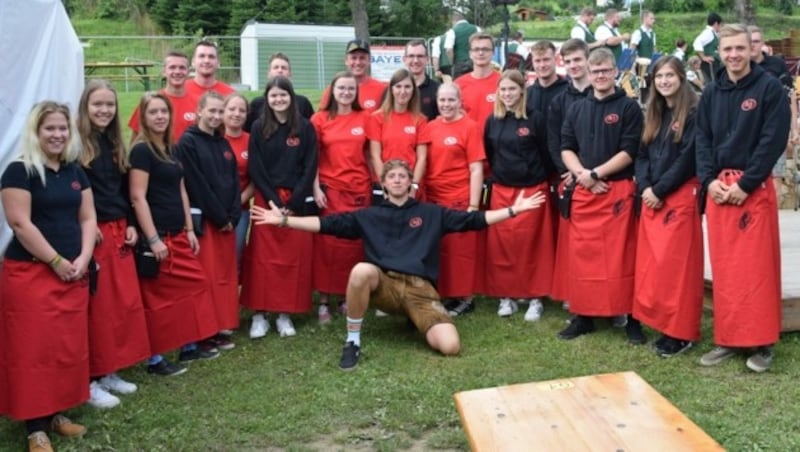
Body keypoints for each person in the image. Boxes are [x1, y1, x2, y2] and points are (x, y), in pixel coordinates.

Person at [250, 159, 547, 370]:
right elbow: (326, 224)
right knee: (361, 270)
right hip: (385, 286)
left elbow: (474, 220)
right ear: (383, 183)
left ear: (410, 182)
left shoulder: (431, 213)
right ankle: (353, 339)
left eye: (402, 176)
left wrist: (512, 210)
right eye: (391, 177)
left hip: (421, 290)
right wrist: (285, 220)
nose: (397, 181)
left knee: (450, 347)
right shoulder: (368, 216)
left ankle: (414, 317)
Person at [0, 101, 95, 451]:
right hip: (31, 274)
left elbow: (87, 218)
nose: (57, 134)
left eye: (62, 128)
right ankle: (34, 429)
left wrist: (83, 257)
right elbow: (19, 223)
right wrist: (56, 260)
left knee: (63, 348)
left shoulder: (74, 171)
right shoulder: (18, 171)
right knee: (33, 352)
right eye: (49, 129)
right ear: (36, 132)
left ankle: (56, 414)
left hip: (72, 274)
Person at [696, 24, 790, 373]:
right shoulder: (711, 92)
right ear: (719, 52)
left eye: (740, 48)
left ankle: (762, 342)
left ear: (752, 49)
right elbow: (701, 140)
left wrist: (747, 183)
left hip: (752, 190)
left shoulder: (769, 89)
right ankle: (728, 338)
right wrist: (708, 181)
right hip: (719, 190)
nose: (733, 55)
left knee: (757, 269)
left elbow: (773, 140)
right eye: (727, 49)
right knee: (726, 271)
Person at [129, 92, 220, 375]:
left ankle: (187, 345)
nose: (159, 116)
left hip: (177, 232)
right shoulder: (141, 150)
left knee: (194, 286)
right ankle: (154, 359)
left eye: (164, 111)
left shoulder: (169, 147)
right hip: (157, 236)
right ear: (143, 117)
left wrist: (189, 228)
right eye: (153, 112)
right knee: (158, 299)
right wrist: (153, 238)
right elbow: (137, 197)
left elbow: (180, 188)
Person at [558, 48, 644, 344]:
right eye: (596, 72)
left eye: (606, 70)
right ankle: (584, 316)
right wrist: (583, 174)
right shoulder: (577, 108)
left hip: (616, 191)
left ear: (615, 71)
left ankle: (631, 317)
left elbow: (630, 151)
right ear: (589, 73)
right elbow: (566, 147)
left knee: (622, 259)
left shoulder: (628, 108)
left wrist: (596, 174)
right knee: (584, 258)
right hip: (585, 192)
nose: (601, 76)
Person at [77, 80, 150, 409]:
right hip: (97, 233)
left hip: (121, 230)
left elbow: (123, 190)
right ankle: (90, 379)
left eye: (109, 105)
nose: (104, 110)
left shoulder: (115, 142)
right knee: (99, 309)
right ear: (85, 107)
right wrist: (88, 229)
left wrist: (132, 224)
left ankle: (110, 369)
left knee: (121, 305)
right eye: (97, 105)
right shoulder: (77, 146)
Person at [633, 56, 703, 358]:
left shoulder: (695, 112)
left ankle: (681, 332)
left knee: (679, 270)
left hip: (679, 196)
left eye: (669, 76)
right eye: (659, 76)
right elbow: (642, 154)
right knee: (657, 269)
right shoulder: (655, 112)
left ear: (681, 77)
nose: (664, 81)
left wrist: (659, 190)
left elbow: (688, 158)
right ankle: (662, 323)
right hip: (653, 196)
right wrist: (646, 187)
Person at [241, 76, 319, 337]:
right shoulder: (258, 127)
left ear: (291, 96)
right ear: (267, 98)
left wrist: (295, 200)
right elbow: (256, 168)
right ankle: (260, 315)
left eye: (283, 95)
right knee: (263, 258)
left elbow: (310, 165)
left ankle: (285, 314)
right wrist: (274, 200)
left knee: (291, 259)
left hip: (295, 201)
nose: (278, 100)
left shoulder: (305, 128)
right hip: (267, 199)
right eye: (273, 95)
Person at [484, 70, 553, 321]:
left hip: (532, 189)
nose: (507, 94)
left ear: (522, 91)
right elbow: (490, 154)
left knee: (532, 245)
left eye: (512, 89)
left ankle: (535, 298)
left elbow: (547, 154)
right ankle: (507, 296)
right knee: (503, 246)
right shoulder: (492, 120)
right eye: (503, 90)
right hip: (502, 190)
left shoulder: (535, 118)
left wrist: (538, 179)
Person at [177, 91, 241, 351]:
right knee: (206, 277)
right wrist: (220, 215)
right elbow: (196, 184)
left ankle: (218, 327)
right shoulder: (188, 143)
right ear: (199, 110)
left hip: (227, 221)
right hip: (207, 220)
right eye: (211, 111)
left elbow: (234, 181)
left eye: (219, 111)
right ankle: (202, 332)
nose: (216, 116)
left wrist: (234, 214)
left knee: (224, 277)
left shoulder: (223, 143)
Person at [419, 83, 485, 316]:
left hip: (458, 197)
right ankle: (446, 294)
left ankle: (465, 298)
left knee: (460, 251)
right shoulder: (430, 127)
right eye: (442, 100)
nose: (446, 105)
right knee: (440, 250)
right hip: (434, 198)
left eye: (451, 100)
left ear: (460, 101)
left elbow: (476, 169)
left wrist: (473, 205)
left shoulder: (470, 127)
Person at [311, 72, 371, 322]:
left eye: (350, 88)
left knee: (352, 246)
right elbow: (311, 157)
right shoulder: (319, 119)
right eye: (341, 88)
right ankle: (324, 300)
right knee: (328, 246)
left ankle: (347, 297)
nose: (346, 92)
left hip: (359, 190)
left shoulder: (366, 118)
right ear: (332, 91)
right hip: (330, 190)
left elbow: (370, 154)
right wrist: (315, 187)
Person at [546, 39, 592, 308]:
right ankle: (574, 292)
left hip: (600, 177)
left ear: (587, 60)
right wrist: (569, 171)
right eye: (569, 60)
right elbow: (554, 140)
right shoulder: (559, 100)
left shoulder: (603, 92)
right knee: (573, 243)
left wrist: (593, 173)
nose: (574, 65)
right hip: (571, 178)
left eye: (578, 60)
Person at [367, 68, 428, 197]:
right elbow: (375, 155)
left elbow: (422, 157)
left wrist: (414, 186)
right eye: (398, 86)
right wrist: (385, 185)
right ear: (391, 89)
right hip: (385, 186)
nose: (403, 91)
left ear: (413, 90)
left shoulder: (420, 120)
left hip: (410, 185)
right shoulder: (377, 118)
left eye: (407, 87)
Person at [127, 50, 199, 144]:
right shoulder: (151, 102)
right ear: (164, 71)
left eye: (182, 68)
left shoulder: (198, 103)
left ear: (188, 72)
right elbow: (135, 140)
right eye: (172, 67)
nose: (177, 71)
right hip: (159, 157)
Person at [245, 52, 314, 132]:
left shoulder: (303, 103)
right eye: (276, 67)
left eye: (284, 68)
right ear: (268, 74)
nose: (280, 70)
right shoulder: (256, 104)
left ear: (290, 74)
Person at [223, 93, 253, 270]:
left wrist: (236, 204)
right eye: (232, 109)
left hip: (240, 211)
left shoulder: (252, 140)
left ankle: (232, 296)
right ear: (223, 111)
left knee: (235, 257)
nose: (237, 113)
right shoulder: (213, 139)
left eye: (242, 110)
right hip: (213, 211)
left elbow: (255, 179)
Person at [318, 40, 387, 113]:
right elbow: (322, 117)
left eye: (362, 58)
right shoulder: (334, 89)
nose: (358, 62)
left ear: (369, 60)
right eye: (353, 58)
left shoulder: (382, 89)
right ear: (346, 60)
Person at [455, 32, 501, 125]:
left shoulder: (503, 82)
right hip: (469, 138)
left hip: (497, 138)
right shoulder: (458, 84)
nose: (481, 53)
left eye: (485, 49)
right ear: (470, 53)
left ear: (493, 52)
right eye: (476, 49)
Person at [526, 40, 568, 115]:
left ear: (555, 60)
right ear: (532, 62)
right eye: (537, 61)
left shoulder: (569, 92)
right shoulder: (526, 94)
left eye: (546, 59)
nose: (542, 65)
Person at [402, 39, 440, 120]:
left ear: (427, 60)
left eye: (420, 56)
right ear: (404, 59)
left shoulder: (438, 90)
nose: (415, 60)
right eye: (411, 56)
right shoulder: (396, 90)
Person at [445, 11, 481, 79]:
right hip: (474, 62)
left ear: (454, 21)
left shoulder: (452, 31)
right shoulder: (477, 28)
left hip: (459, 64)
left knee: (458, 86)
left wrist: (451, 63)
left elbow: (449, 50)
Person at [692, 12, 722, 82]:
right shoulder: (708, 33)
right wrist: (703, 57)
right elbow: (697, 43)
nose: (720, 26)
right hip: (709, 65)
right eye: (720, 25)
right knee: (713, 84)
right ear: (716, 24)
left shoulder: (712, 33)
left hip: (714, 63)